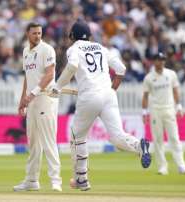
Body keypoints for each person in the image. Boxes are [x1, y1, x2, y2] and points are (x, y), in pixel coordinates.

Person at [52, 21, 151, 191]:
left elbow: (72, 67)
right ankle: (138, 146)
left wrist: (57, 86)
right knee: (117, 137)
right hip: (108, 95)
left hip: (89, 96)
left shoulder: (74, 49)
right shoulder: (100, 47)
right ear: (89, 36)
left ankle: (81, 179)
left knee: (78, 137)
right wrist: (112, 89)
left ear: (72, 36)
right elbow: (121, 69)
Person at [14, 22, 62, 192]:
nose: (37, 36)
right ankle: (32, 180)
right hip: (32, 99)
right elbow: (28, 77)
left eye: (39, 33)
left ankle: (56, 180)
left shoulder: (47, 49)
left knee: (48, 140)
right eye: (34, 33)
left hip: (45, 98)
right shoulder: (26, 51)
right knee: (33, 142)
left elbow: (49, 74)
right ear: (27, 34)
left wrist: (32, 94)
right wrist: (23, 99)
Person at [142, 52, 185, 175]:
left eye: (163, 59)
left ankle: (181, 165)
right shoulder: (148, 78)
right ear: (154, 61)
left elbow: (175, 90)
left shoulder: (171, 74)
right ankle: (162, 167)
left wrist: (178, 106)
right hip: (155, 111)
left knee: (174, 138)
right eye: (159, 60)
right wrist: (144, 112)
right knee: (157, 139)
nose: (162, 62)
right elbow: (145, 96)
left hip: (169, 109)